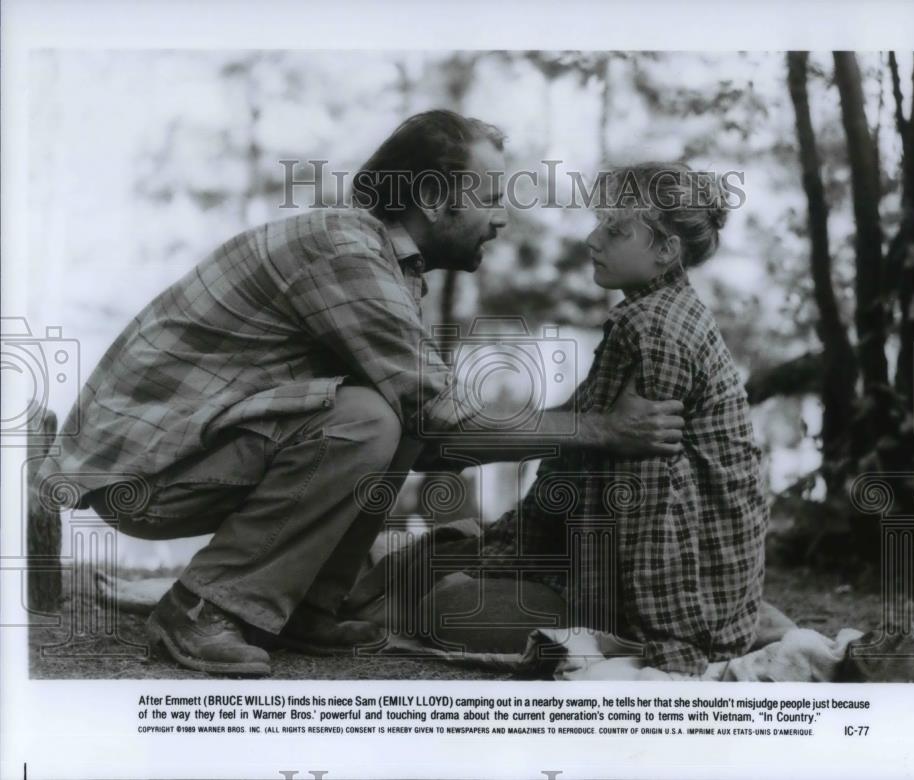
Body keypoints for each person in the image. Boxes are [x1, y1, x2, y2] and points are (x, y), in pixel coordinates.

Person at [38, 112, 685, 676]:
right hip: (144, 476)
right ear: (433, 196)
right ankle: (203, 606)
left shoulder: (383, 264)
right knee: (367, 419)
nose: (501, 216)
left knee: (389, 415)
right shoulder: (344, 252)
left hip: (179, 457)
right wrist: (600, 429)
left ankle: (306, 607)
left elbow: (431, 434)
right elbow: (447, 426)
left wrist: (579, 423)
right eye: (489, 196)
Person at [408, 162, 768, 675]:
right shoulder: (655, 312)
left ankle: (708, 629)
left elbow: (646, 498)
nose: (593, 239)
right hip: (633, 572)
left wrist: (665, 648)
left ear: (666, 250)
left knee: (439, 606)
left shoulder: (653, 331)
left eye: (614, 230)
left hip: (654, 597)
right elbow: (582, 446)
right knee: (434, 564)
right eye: (600, 222)